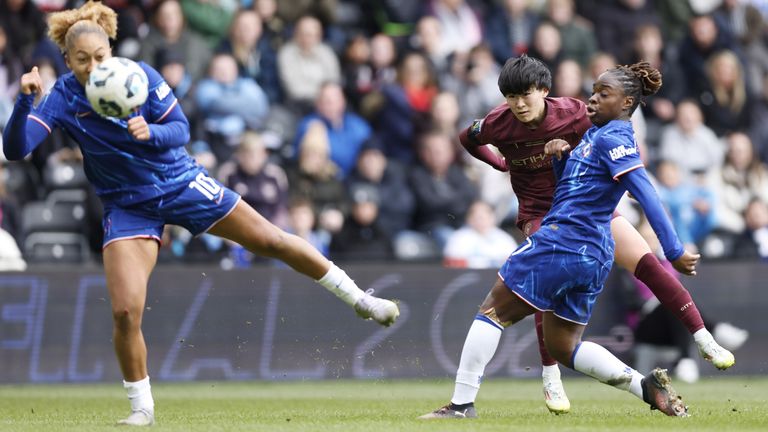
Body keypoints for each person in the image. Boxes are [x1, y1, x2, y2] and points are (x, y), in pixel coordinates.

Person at [1, 2, 399, 427]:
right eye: (82, 60)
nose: (93, 66)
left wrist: (150, 131)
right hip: (127, 204)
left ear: (110, 51)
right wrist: (26, 103)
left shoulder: (140, 78)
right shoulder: (62, 94)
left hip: (180, 182)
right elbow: (16, 149)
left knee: (272, 240)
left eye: (100, 56)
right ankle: (142, 409)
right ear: (67, 60)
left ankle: (360, 298)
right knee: (124, 312)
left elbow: (181, 130)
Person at [422, 55, 734, 416]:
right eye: (594, 93)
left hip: (566, 232)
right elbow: (476, 140)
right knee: (564, 344)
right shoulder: (586, 131)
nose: (592, 101)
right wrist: (516, 163)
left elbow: (644, 187)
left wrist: (674, 248)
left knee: (493, 311)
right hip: (587, 237)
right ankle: (642, 386)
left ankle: (463, 404)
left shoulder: (590, 124)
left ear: (544, 91)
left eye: (602, 94)